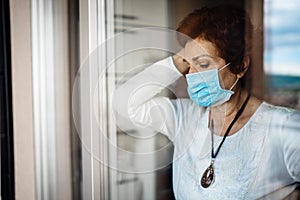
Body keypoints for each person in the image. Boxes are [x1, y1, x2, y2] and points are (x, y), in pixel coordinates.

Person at [113, 4, 300, 199]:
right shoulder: (183, 118)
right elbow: (124, 102)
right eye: (188, 65)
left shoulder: (283, 128)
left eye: (203, 64)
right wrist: (176, 62)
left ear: (240, 66)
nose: (191, 75)